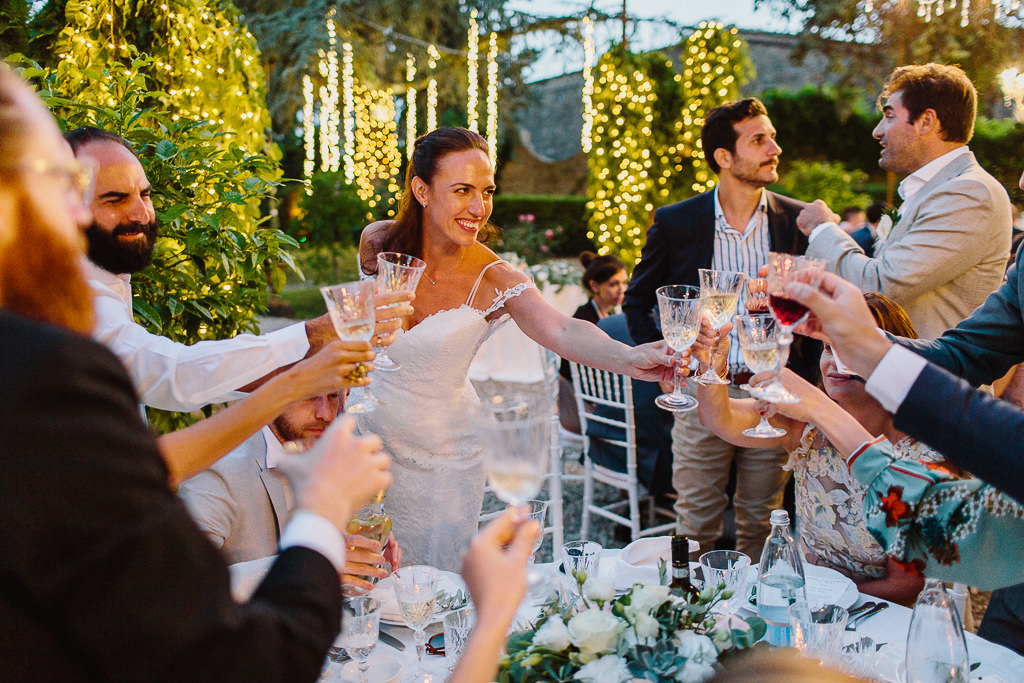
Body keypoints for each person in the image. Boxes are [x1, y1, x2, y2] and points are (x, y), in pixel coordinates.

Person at [0, 65, 393, 679]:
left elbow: (110, 471)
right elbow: (248, 658)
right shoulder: (43, 354)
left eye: (145, 193)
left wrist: (292, 381)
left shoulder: (72, 318)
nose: (136, 212)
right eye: (73, 187)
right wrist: (319, 513)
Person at [354, 126, 673, 571]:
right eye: (463, 190)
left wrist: (630, 357)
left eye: (486, 192)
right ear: (421, 189)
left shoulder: (496, 277)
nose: (478, 208)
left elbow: (561, 329)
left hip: (441, 460)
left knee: (429, 586)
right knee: (358, 576)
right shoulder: (379, 243)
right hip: (363, 439)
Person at [65, 125, 410, 414]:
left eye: (145, 194)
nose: (141, 213)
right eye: (114, 199)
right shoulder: (63, 296)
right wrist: (314, 335)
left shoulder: (105, 275)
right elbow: (170, 373)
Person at [623, 97, 819, 559]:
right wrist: (672, 354)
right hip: (699, 391)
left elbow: (810, 315)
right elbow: (637, 300)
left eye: (770, 136)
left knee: (765, 519)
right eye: (759, 140)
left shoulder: (797, 221)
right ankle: (688, 618)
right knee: (695, 521)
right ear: (724, 158)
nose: (775, 147)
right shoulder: (678, 222)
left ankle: (752, 621)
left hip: (770, 395)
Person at [696, 294, 932, 604]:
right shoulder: (804, 425)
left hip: (890, 616)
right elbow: (719, 417)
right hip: (810, 605)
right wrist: (713, 364)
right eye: (828, 348)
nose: (834, 361)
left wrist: (821, 594)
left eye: (850, 350)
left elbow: (905, 587)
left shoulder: (921, 456)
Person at [797, 63, 1012, 339]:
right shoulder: (928, 190)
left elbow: (882, 286)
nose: (877, 131)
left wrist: (822, 228)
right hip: (897, 372)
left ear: (926, 122)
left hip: (934, 377)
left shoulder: (969, 192)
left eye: (889, 116)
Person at [178, 390, 402, 593]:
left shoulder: (334, 457)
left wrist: (365, 542)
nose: (325, 413)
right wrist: (311, 560)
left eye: (333, 396)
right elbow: (182, 585)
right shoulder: (217, 470)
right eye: (310, 393)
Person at [558, 250, 629, 432]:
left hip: (593, 392)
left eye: (624, 282)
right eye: (613, 284)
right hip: (580, 402)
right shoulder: (586, 319)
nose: (622, 290)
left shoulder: (608, 314)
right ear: (595, 286)